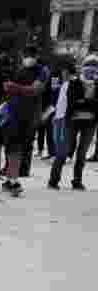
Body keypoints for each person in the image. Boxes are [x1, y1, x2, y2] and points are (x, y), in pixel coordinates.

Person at [0, 45, 48, 197]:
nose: (28, 58)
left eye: (31, 55)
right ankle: (10, 179)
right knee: (9, 147)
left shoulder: (42, 71)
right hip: (12, 112)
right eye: (26, 54)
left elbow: (35, 90)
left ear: (36, 56)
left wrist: (15, 87)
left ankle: (14, 180)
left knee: (17, 148)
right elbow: (7, 90)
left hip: (28, 115)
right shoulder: (19, 70)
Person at [49, 54, 98, 190]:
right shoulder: (74, 83)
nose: (92, 70)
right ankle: (53, 180)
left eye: (95, 67)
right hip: (72, 121)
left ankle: (77, 181)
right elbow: (72, 104)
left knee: (82, 154)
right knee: (63, 151)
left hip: (90, 124)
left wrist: (84, 102)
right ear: (83, 67)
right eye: (89, 66)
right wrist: (89, 102)